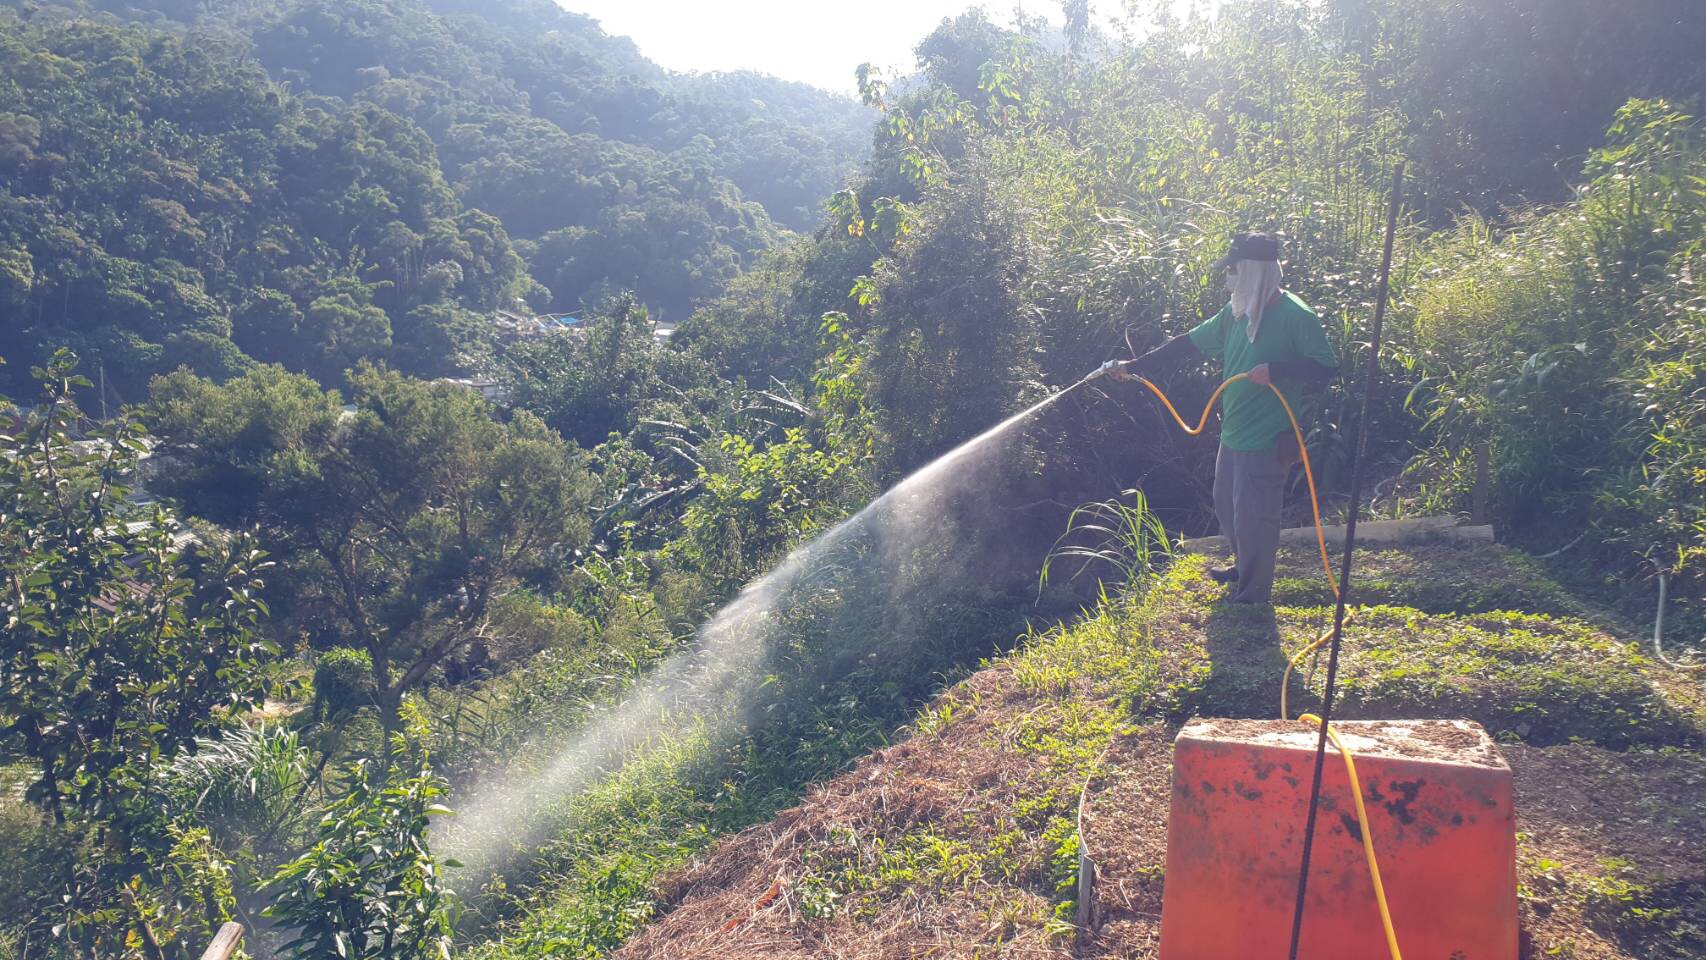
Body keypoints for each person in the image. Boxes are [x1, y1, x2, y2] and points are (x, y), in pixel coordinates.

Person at [1110, 232, 1338, 604]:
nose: (1228, 277)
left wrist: (1277, 370)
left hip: (1268, 437)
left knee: (1255, 518)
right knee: (1228, 506)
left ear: (1253, 271)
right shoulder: (1238, 311)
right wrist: (1134, 367)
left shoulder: (1296, 315)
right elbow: (1187, 342)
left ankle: (1252, 596)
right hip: (1233, 432)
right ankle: (1243, 566)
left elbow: (1327, 369)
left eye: (1233, 270)